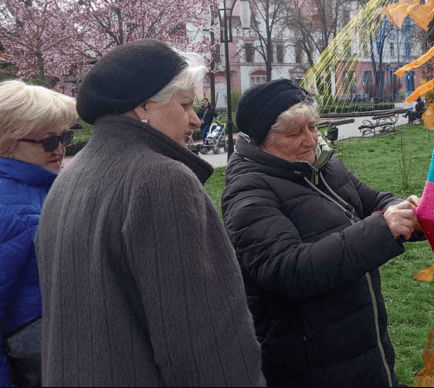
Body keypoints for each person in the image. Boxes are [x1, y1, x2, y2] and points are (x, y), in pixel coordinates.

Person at [35, 39, 265, 387]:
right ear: (144, 105)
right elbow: (204, 339)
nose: (194, 120)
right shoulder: (161, 178)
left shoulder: (72, 174)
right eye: (186, 104)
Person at [221, 79, 424, 387]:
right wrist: (382, 228)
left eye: (313, 127)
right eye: (294, 133)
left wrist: (405, 209)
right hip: (310, 361)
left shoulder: (322, 166)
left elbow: (372, 200)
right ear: (261, 140)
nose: (311, 140)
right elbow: (288, 268)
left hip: (360, 346)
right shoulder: (247, 192)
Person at [0, 80, 77, 387]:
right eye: (48, 142)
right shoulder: (13, 210)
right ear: (6, 142)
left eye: (65, 137)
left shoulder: (39, 192)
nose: (60, 149)